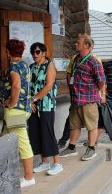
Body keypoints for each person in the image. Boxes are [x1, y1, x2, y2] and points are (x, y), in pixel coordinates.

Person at [0, 39, 35, 187]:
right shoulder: (24, 65)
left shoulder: (13, 67)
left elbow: (16, 86)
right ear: (22, 51)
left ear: (7, 52)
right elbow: (8, 86)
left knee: (23, 143)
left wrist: (12, 102)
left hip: (16, 111)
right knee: (4, 140)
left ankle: (29, 177)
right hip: (25, 109)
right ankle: (0, 171)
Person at [59, 34, 105, 161]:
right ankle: (71, 148)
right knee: (74, 125)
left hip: (88, 100)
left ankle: (91, 149)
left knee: (92, 125)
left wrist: (98, 93)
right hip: (75, 99)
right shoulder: (76, 59)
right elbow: (70, 75)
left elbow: (101, 81)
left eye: (78, 42)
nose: (75, 44)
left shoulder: (94, 61)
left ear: (87, 45)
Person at [27, 42, 63, 175]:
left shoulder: (50, 66)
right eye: (32, 52)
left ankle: (57, 163)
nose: (34, 55)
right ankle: (45, 161)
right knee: (36, 132)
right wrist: (30, 102)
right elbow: (28, 86)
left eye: (37, 52)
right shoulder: (31, 67)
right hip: (33, 105)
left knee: (47, 132)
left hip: (46, 104)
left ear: (43, 53)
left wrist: (34, 99)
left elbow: (48, 86)